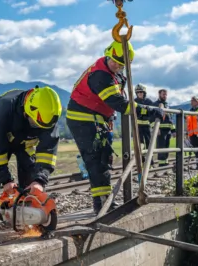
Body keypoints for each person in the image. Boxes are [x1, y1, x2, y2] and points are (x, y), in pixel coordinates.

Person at [66, 40, 164, 215]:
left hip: (97, 120)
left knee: (104, 159)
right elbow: (121, 104)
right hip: (84, 120)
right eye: (115, 62)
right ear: (108, 54)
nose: (117, 66)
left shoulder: (114, 73)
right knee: (96, 162)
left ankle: (104, 202)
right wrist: (148, 111)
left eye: (121, 64)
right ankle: (102, 204)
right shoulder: (101, 76)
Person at [0, 86, 62, 240]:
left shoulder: (48, 118)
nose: (39, 128)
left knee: (31, 179)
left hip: (24, 141)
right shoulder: (5, 107)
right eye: (35, 124)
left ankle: (33, 221)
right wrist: (5, 180)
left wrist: (39, 180)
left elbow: (48, 153)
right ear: (27, 110)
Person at [151, 89, 176, 167]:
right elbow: (151, 118)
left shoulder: (167, 105)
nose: (165, 96)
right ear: (159, 94)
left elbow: (170, 119)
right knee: (161, 146)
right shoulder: (155, 104)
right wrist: (155, 128)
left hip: (168, 130)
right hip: (160, 130)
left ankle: (165, 162)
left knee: (166, 146)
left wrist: (173, 130)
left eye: (166, 95)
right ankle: (162, 164)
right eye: (163, 94)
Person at [134, 84, 154, 167]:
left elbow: (153, 114)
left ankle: (150, 162)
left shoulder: (149, 102)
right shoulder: (134, 101)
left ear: (144, 93)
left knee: (149, 144)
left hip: (147, 126)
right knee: (139, 145)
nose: (139, 94)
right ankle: (141, 164)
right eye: (138, 93)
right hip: (137, 127)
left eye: (141, 92)